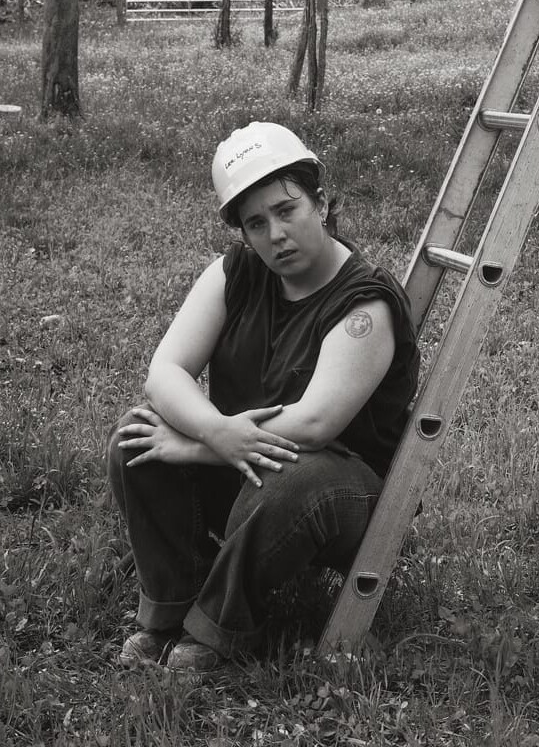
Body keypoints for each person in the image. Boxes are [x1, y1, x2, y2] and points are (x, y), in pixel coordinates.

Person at [108, 122, 420, 672]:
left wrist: (202, 446)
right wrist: (213, 429)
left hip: (342, 496)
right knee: (137, 437)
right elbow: (165, 371)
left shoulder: (365, 302)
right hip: (250, 462)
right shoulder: (237, 274)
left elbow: (316, 424)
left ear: (321, 203)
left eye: (287, 209)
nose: (276, 233)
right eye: (256, 223)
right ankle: (172, 606)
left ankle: (219, 629)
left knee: (296, 476)